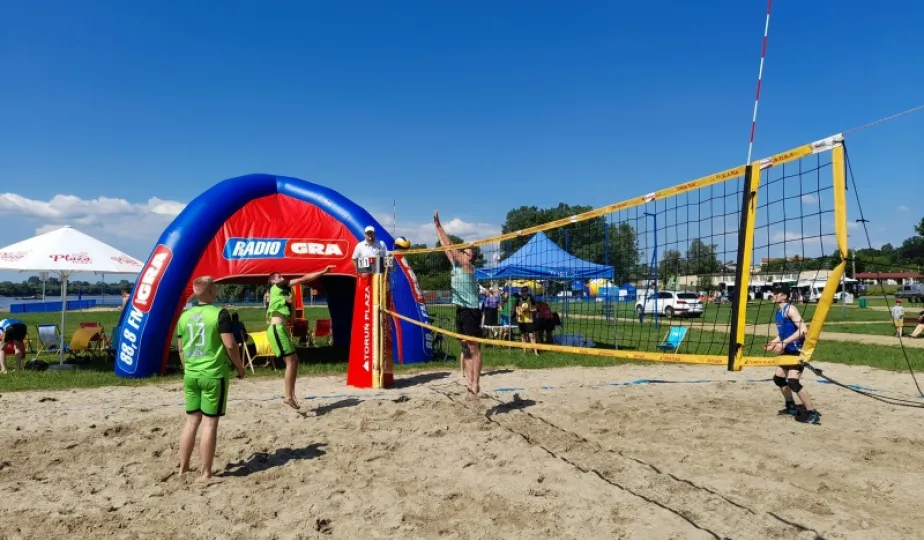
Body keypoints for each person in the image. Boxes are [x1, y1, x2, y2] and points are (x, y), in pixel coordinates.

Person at [175, 276, 246, 482]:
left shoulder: (184, 316)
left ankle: (183, 468)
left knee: (191, 422)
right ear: (211, 291)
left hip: (191, 374)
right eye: (215, 288)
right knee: (209, 424)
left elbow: (181, 349)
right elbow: (230, 345)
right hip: (213, 375)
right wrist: (240, 367)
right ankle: (205, 473)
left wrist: (188, 369)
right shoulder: (219, 314)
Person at [267, 265, 335, 409]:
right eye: (278, 276)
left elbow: (293, 320)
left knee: (294, 361)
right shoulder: (278, 287)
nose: (282, 277)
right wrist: (323, 271)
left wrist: (291, 304)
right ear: (273, 281)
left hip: (282, 329)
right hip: (276, 329)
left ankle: (291, 395)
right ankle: (288, 396)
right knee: (291, 362)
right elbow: (304, 279)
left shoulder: (282, 295)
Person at [434, 210, 483, 394]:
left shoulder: (469, 267)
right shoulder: (456, 265)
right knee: (466, 348)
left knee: (474, 348)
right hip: (461, 310)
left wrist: (441, 229)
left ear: (470, 257)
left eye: (466, 252)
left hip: (471, 311)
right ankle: (470, 381)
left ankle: (475, 382)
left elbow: (451, 247)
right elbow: (446, 246)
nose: (463, 252)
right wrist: (438, 227)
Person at [764, 284, 821, 425]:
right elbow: (783, 333)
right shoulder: (779, 312)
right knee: (778, 379)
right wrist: (774, 342)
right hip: (787, 351)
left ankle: (811, 412)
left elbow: (803, 330)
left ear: (784, 296)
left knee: (793, 382)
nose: (773, 295)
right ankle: (790, 406)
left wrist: (784, 343)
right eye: (773, 292)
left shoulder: (790, 309)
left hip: (797, 351)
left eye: (776, 293)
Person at [516, 286, 539, 355]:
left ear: (527, 291)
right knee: (523, 336)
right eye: (522, 291)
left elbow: (536, 309)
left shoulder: (530, 298)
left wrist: (529, 310)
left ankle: (536, 352)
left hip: (529, 320)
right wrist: (518, 313)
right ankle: (524, 352)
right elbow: (516, 308)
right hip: (521, 320)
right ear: (521, 292)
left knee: (532, 336)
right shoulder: (519, 299)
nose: (523, 292)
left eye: (525, 291)